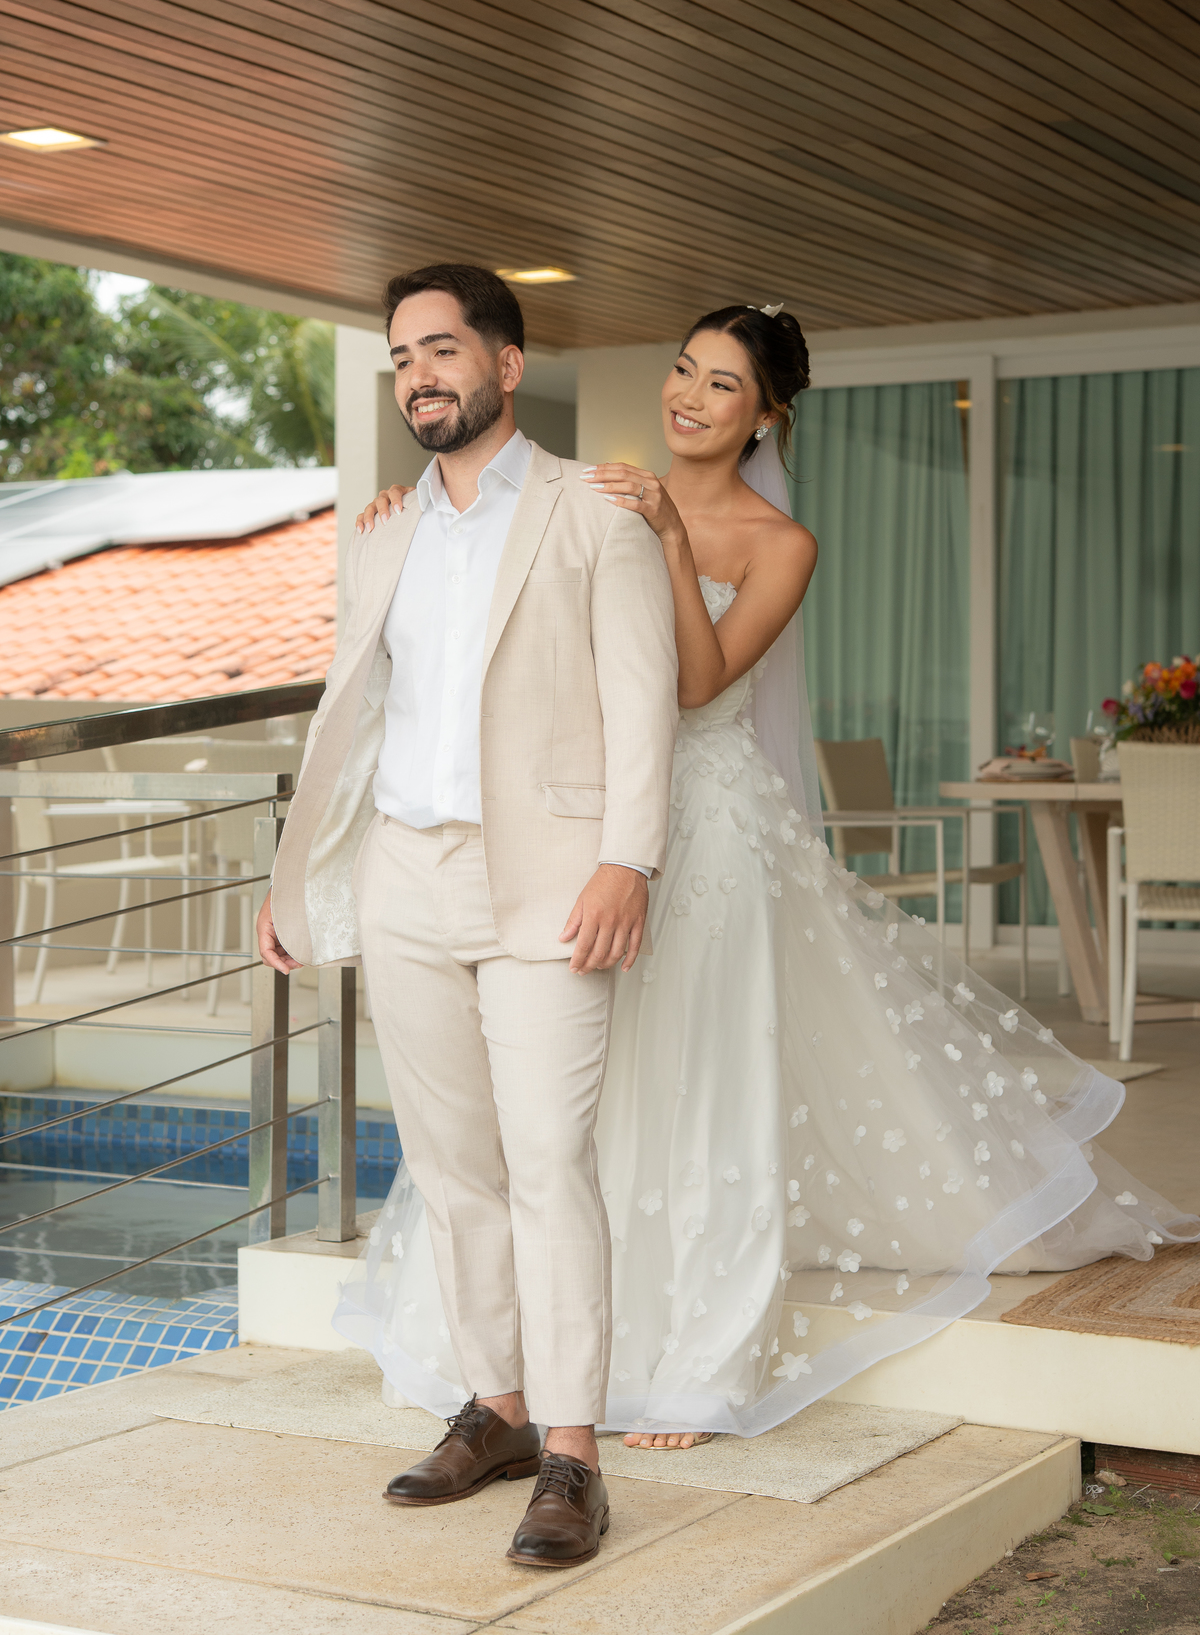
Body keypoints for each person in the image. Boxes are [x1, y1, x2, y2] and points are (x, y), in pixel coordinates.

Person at [343, 301, 1199, 1453]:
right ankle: (549, 1358)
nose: (688, 398)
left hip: (709, 830)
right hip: (579, 833)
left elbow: (694, 689)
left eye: (721, 386)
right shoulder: (584, 490)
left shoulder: (777, 543)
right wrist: (409, 514)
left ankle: (697, 1357)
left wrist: (672, 543)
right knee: (582, 1107)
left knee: (702, 1090)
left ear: (766, 415)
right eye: (683, 372)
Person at [257, 261, 678, 1566]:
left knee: (550, 1163)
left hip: (552, 881)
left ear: (504, 364)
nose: (417, 376)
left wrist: (632, 859)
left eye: (441, 350)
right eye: (399, 358)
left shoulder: (591, 512)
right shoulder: (384, 530)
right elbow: (356, 719)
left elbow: (643, 697)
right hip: (405, 882)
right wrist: (297, 882)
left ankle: (574, 1455)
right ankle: (494, 1411)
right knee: (452, 1171)